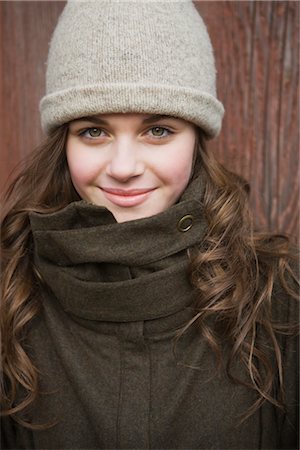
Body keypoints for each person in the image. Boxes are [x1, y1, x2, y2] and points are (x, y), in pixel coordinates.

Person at [1, 1, 298, 449]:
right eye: (93, 131)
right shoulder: (11, 290)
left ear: (197, 138)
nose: (123, 167)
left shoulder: (282, 298)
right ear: (63, 141)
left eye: (157, 129)